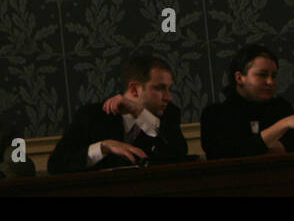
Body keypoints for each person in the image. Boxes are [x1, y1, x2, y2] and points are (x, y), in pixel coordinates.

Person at [47, 55, 189, 173]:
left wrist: (140, 113)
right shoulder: (93, 115)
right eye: (160, 88)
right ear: (134, 89)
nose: (168, 97)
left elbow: (180, 157)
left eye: (169, 89)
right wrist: (103, 147)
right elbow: (56, 165)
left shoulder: (170, 114)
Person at [200, 44, 294, 158]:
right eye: (262, 75)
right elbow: (226, 154)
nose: (270, 82)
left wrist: (257, 148)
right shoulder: (215, 114)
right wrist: (282, 125)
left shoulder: (281, 107)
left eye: (273, 76)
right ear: (239, 77)